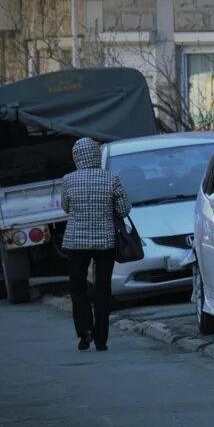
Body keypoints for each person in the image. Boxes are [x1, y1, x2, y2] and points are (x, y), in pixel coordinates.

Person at [61, 138, 131, 351]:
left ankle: (84, 333)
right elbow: (125, 209)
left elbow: (66, 207)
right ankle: (102, 339)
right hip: (105, 243)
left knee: (77, 288)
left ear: (76, 157)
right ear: (96, 155)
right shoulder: (111, 178)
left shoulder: (69, 180)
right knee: (103, 288)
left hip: (77, 243)